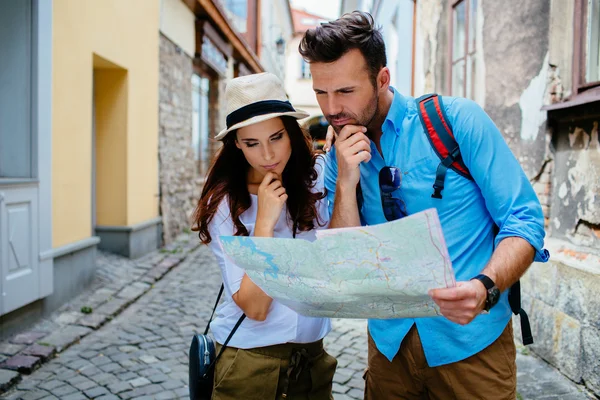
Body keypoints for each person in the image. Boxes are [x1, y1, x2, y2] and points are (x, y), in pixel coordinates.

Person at [299, 11, 549, 400]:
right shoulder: (337, 156)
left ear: (382, 79)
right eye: (321, 92)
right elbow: (345, 261)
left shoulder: (458, 120)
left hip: (471, 346)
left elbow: (525, 220)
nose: (332, 109)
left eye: (345, 91)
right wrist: (346, 180)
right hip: (389, 348)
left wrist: (485, 287)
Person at [193, 72, 337, 400]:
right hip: (250, 363)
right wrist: (265, 225)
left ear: (291, 133)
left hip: (313, 360)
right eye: (252, 143)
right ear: (236, 146)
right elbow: (255, 307)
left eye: (276, 138)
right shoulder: (226, 204)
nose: (268, 155)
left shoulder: (314, 183)